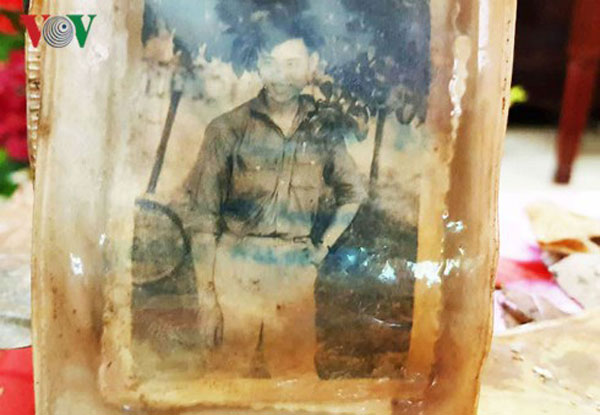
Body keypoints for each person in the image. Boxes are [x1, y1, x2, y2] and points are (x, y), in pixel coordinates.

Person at [173, 38, 366, 378]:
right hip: (235, 268)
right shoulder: (227, 129)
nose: (280, 76)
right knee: (225, 376)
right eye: (270, 63)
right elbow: (203, 218)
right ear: (258, 65)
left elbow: (353, 193)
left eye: (292, 64)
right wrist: (207, 298)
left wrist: (323, 247)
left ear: (311, 64)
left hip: (294, 272)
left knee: (296, 378)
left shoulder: (323, 131)